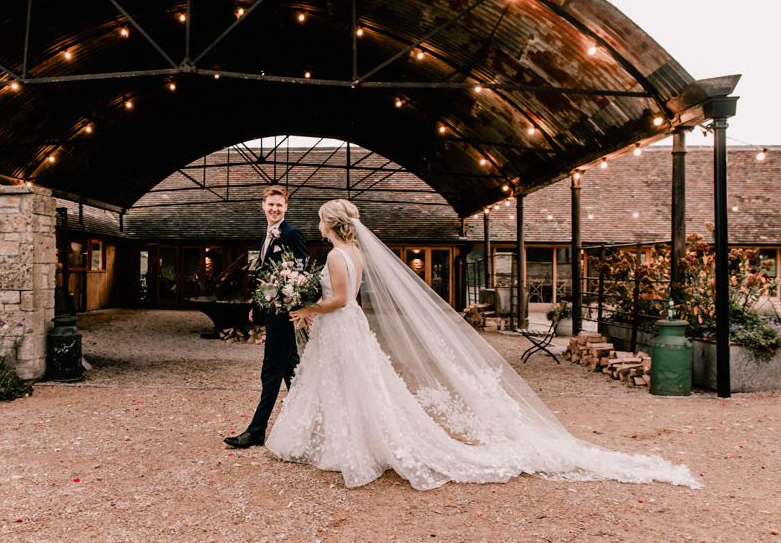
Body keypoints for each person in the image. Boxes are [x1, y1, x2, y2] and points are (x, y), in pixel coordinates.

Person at [266, 199, 699, 490]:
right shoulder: (354, 253)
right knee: (354, 384)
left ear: (330, 223)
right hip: (347, 330)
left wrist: (308, 310)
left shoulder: (337, 256)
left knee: (351, 383)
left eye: (321, 218)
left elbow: (340, 300)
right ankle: (345, 442)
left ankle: (354, 448)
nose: (318, 224)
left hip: (341, 326)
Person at [224, 185, 308, 449]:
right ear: (263, 206)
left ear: (286, 207)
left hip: (284, 316)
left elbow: (300, 273)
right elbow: (265, 275)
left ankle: (257, 430)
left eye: (279, 205)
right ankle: (312, 421)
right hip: (271, 312)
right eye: (270, 205)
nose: (274, 209)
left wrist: (293, 307)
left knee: (270, 373)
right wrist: (257, 305)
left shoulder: (292, 233)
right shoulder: (267, 235)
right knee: (291, 371)